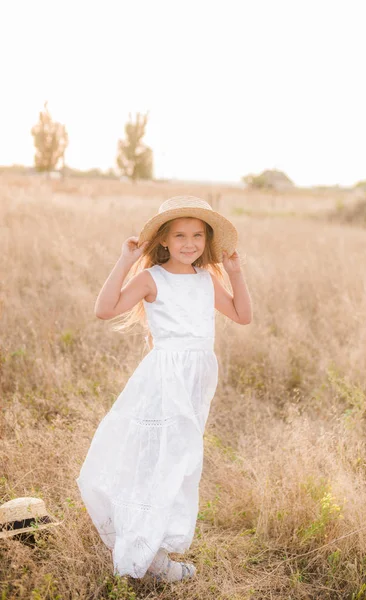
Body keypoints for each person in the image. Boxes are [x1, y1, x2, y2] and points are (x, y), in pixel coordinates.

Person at [75, 195, 252, 582]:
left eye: (198, 236)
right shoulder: (152, 278)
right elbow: (105, 309)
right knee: (159, 461)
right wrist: (125, 260)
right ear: (164, 241)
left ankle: (151, 548)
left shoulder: (207, 280)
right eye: (180, 235)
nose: (189, 243)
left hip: (196, 382)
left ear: (207, 242)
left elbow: (242, 315)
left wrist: (235, 272)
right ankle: (146, 555)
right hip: (163, 380)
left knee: (179, 464)